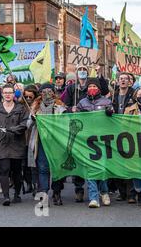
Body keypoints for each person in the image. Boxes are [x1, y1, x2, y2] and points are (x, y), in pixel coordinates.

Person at [28, 83, 67, 206]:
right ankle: (44, 194)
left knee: (56, 168)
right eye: (43, 91)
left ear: (53, 92)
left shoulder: (60, 107)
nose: (46, 93)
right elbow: (27, 124)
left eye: (49, 91)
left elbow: (65, 123)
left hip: (56, 142)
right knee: (43, 169)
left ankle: (57, 192)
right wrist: (33, 120)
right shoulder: (35, 107)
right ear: (40, 93)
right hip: (41, 142)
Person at [77, 78, 113, 208]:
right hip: (87, 140)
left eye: (94, 86)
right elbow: (76, 120)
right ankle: (93, 198)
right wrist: (78, 113)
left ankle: (104, 192)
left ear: (98, 88)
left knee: (101, 168)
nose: (92, 88)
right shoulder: (82, 103)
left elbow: (113, 120)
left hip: (102, 140)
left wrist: (110, 113)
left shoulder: (106, 102)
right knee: (90, 168)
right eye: (89, 86)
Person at [64, 65, 90, 202]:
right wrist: (70, 109)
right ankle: (78, 188)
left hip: (90, 126)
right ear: (76, 73)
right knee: (77, 156)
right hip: (75, 126)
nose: (82, 72)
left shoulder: (92, 86)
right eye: (80, 70)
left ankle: (95, 188)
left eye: (85, 70)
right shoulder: (71, 88)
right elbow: (64, 104)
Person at [111, 72, 136, 203]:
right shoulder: (113, 96)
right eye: (121, 79)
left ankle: (131, 193)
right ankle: (121, 192)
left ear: (129, 82)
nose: (123, 81)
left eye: (125, 79)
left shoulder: (134, 94)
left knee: (129, 163)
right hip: (116, 132)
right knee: (117, 163)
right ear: (118, 81)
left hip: (130, 132)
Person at [22, 85, 40, 196]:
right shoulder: (20, 106)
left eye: (30, 97)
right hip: (21, 138)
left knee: (33, 163)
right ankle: (28, 183)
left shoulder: (36, 106)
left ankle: (35, 185)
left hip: (32, 137)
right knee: (24, 164)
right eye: (26, 97)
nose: (28, 99)